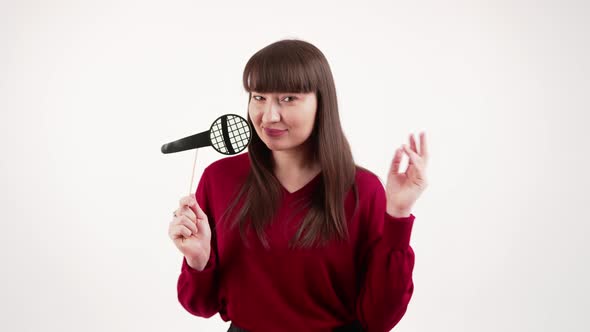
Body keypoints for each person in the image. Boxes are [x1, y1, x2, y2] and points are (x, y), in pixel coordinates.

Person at [168, 39, 429, 332]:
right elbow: (200, 305)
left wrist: (398, 215)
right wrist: (198, 260)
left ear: (321, 103)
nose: (268, 116)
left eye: (288, 98)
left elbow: (379, 319)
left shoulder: (363, 190)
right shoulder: (219, 179)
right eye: (258, 97)